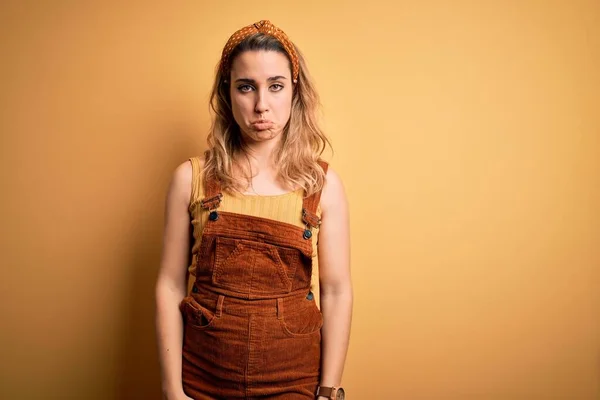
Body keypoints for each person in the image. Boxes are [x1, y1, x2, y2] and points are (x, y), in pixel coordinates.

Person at [155, 20, 352, 400]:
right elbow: (169, 285)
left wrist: (329, 390)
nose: (261, 104)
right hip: (201, 380)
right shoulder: (190, 179)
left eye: (275, 86)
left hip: (295, 380)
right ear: (227, 93)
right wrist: (172, 391)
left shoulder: (322, 185)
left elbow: (338, 291)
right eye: (246, 87)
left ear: (295, 91)